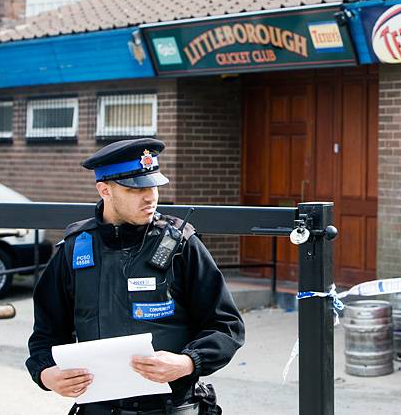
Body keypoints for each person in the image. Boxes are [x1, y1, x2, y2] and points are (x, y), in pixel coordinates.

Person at [26, 138, 245, 415]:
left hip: (173, 407)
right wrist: (46, 374)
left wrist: (188, 362)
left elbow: (226, 325)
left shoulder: (181, 245)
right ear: (104, 190)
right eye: (135, 189)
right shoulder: (74, 248)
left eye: (154, 185)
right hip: (99, 407)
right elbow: (46, 333)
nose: (150, 196)